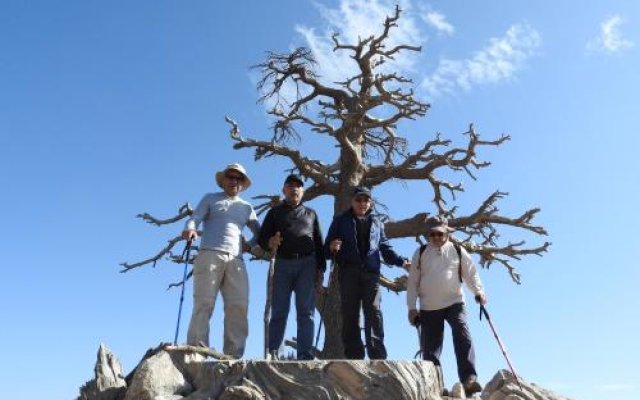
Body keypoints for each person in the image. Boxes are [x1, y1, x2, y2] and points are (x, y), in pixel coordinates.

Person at [181, 163, 260, 358]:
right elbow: (195, 218)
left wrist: (250, 245)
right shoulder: (210, 198)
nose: (234, 181)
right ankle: (196, 354)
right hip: (209, 254)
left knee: (238, 305)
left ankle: (233, 357)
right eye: (230, 177)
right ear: (223, 180)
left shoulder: (246, 207)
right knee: (204, 303)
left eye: (238, 178)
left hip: (236, 259)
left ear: (242, 184)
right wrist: (190, 229)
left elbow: (260, 232)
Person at [325, 187, 410, 360]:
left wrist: (401, 262)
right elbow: (327, 248)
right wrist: (331, 247)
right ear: (352, 202)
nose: (362, 203)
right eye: (358, 200)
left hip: (371, 275)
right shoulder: (340, 220)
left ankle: (377, 356)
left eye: (366, 200)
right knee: (350, 314)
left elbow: (386, 248)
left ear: (370, 202)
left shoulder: (377, 223)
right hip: (348, 272)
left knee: (374, 312)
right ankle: (354, 357)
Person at [406, 215, 487, 396]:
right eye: (432, 234)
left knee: (462, 332)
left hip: (455, 301)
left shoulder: (458, 250)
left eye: (440, 234)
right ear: (428, 235)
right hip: (428, 306)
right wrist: (411, 307)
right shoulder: (420, 253)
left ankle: (469, 379)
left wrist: (478, 291)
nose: (436, 237)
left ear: (447, 233)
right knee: (431, 349)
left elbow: (471, 273)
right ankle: (435, 385)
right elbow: (412, 282)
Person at [258, 174, 326, 360]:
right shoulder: (274, 212)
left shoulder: (311, 214)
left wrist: (320, 270)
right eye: (290, 185)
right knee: (279, 311)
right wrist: (270, 242)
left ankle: (305, 355)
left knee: (306, 312)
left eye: (298, 186)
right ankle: (273, 354)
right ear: (284, 190)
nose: (295, 189)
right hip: (282, 264)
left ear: (302, 191)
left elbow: (319, 243)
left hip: (307, 264)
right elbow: (262, 238)